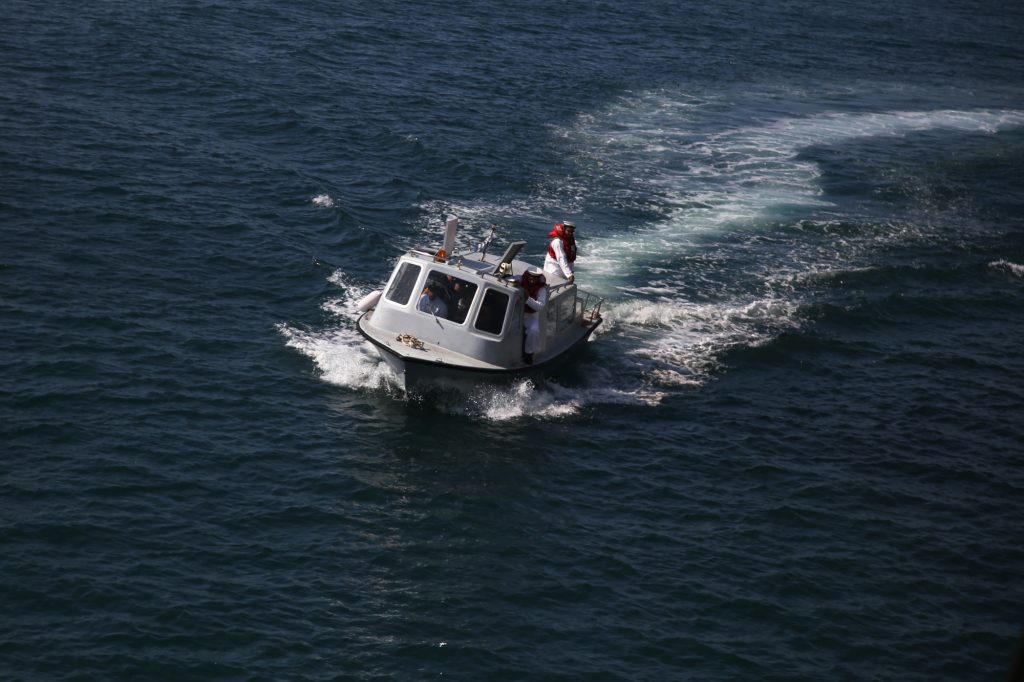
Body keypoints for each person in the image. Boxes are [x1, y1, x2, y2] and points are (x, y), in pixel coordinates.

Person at [517, 268, 548, 365]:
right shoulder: (520, 280)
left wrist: (528, 298)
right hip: (515, 312)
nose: (532, 280)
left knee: (534, 330)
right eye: (530, 277)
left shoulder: (542, 289)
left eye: (535, 278)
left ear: (538, 278)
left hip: (530, 315)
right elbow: (509, 279)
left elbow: (540, 306)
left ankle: (528, 354)